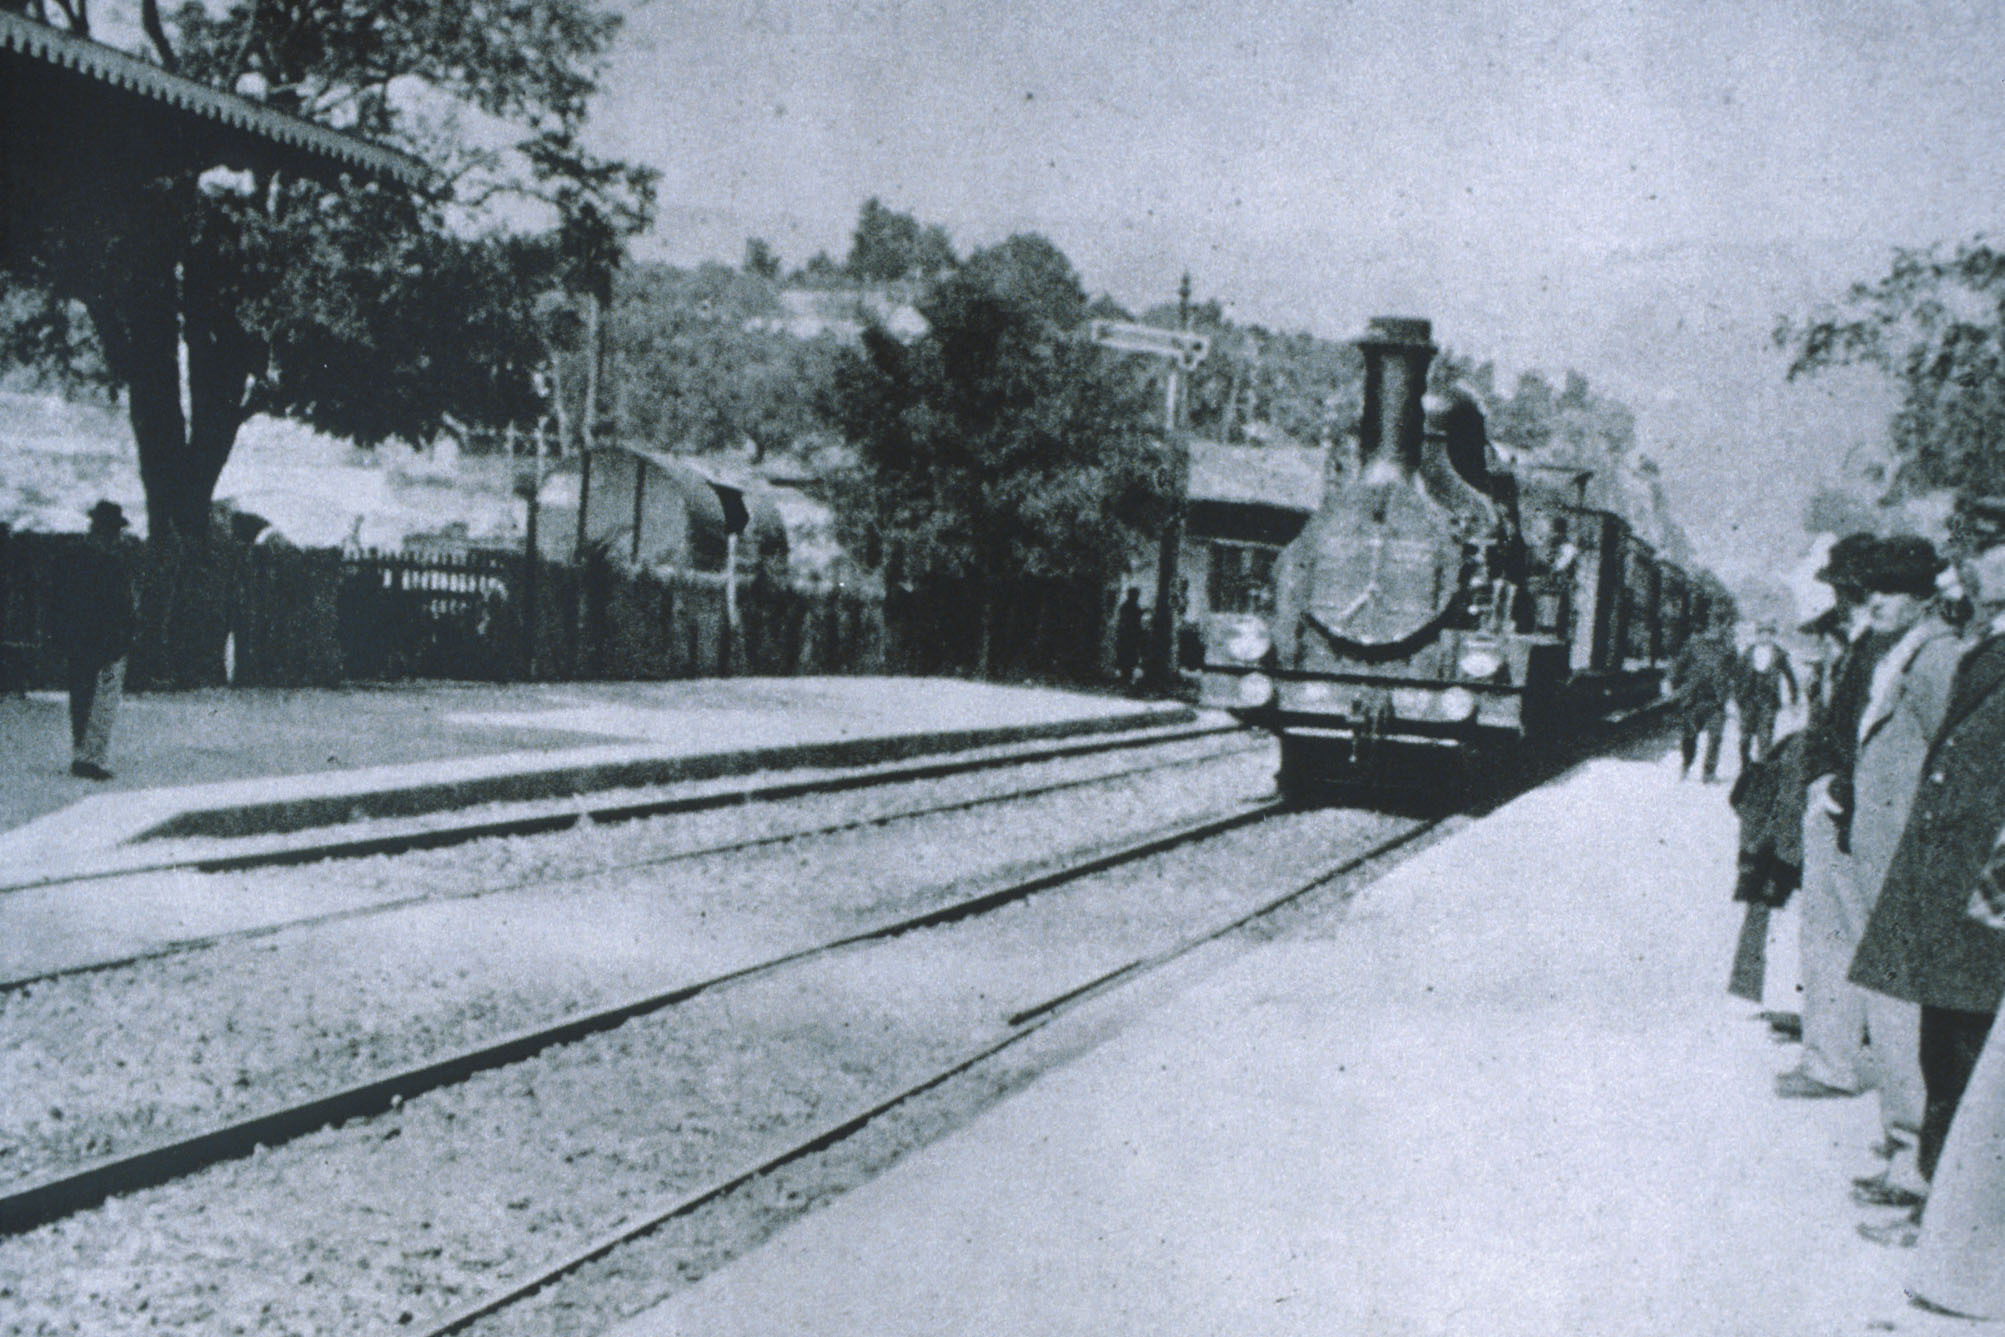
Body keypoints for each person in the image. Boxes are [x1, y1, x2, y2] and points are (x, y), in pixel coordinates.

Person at [1849, 497, 2005, 1246]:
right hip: (1954, 879)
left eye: (1991, 547)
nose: (1972, 562)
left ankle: (1952, 1221)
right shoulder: (1988, 641)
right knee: (1946, 1045)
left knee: (1967, 1049)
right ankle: (1937, 1205)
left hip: (1985, 888)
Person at [1840, 536, 1959, 1209]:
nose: (1874, 599)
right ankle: (1901, 1146)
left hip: (1907, 863)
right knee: (1891, 1008)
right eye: (1870, 588)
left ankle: (1911, 1155)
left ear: (1923, 598)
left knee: (1900, 1009)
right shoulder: (1905, 652)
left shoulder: (1935, 657)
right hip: (1885, 855)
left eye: (1890, 589)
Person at [1776, 531, 1880, 1100]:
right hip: (1835, 798)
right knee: (1830, 932)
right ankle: (1828, 1053)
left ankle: (1831, 1062)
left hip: (1843, 806)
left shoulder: (1872, 648)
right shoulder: (1863, 645)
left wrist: (1831, 789)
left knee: (1835, 934)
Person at [63, 500, 135, 781]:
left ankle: (81, 753)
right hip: (108, 642)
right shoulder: (111, 562)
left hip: (79, 639)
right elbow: (120, 605)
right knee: (101, 700)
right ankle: (92, 757)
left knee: (80, 697)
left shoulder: (72, 558)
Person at [1668, 616, 1737, 782]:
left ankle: (1709, 774)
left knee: (1716, 738)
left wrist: (1734, 695)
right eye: (1710, 627)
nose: (1713, 631)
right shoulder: (1693, 645)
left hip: (1716, 701)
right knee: (1689, 736)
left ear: (1722, 628)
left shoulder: (1728, 648)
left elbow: (1736, 672)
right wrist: (1670, 682)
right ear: (1704, 629)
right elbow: (1678, 665)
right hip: (1694, 700)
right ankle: (1686, 764)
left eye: (1717, 626)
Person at [1734, 620, 1798, 768]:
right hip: (1748, 699)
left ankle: (1761, 769)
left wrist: (1794, 700)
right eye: (1762, 633)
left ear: (1772, 635)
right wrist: (1737, 698)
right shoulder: (1748, 653)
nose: (1765, 637)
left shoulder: (1779, 654)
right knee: (1745, 738)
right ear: (1758, 635)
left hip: (1769, 701)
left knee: (1765, 737)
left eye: (1769, 634)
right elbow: (1737, 676)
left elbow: (1791, 677)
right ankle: (1745, 765)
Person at [1114, 586, 1144, 692]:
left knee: (1128, 657)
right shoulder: (1131, 607)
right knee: (1128, 657)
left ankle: (1125, 677)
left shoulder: (1126, 607)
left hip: (1128, 636)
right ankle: (1126, 678)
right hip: (1129, 636)